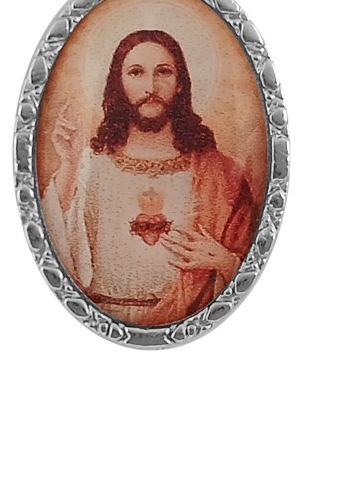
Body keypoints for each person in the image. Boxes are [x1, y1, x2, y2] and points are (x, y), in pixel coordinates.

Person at [40, 29, 259, 325]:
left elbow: (249, 266)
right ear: (118, 83)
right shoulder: (90, 163)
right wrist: (68, 165)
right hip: (100, 321)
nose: (151, 86)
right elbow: (59, 252)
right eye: (136, 72)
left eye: (163, 72)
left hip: (190, 320)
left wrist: (225, 261)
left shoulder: (218, 173)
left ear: (180, 84)